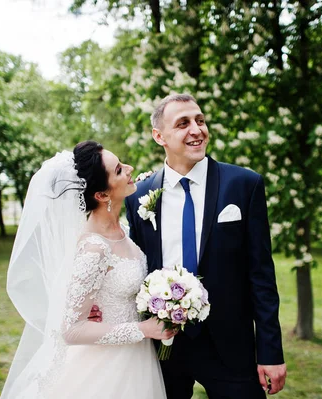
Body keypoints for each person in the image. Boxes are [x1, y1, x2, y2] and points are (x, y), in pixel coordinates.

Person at [121, 93, 286, 398]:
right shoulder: (138, 195)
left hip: (231, 345)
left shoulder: (244, 184)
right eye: (183, 123)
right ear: (160, 136)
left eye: (200, 120)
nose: (196, 129)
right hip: (163, 345)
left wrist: (270, 351)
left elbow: (261, 275)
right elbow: (135, 268)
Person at [1, 141, 175, 399]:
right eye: (118, 170)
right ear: (102, 195)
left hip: (137, 358)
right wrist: (143, 329)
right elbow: (71, 329)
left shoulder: (124, 231)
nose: (129, 169)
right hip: (106, 367)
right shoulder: (94, 248)